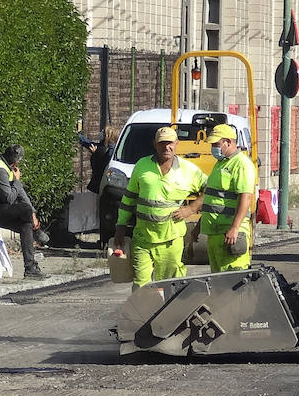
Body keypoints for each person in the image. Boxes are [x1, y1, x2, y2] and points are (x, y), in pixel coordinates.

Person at [111, 126, 207, 287]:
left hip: (170, 240)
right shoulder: (142, 166)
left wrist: (191, 209)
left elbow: (209, 190)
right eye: (162, 143)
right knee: (142, 286)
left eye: (170, 143)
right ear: (154, 144)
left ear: (176, 143)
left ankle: (170, 313)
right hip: (143, 239)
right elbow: (129, 198)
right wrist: (120, 226)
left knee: (169, 285)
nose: (166, 147)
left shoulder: (188, 170)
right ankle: (145, 312)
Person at [0, 144, 48, 279]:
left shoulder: (6, 167)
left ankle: (30, 268)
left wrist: (33, 214)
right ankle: (37, 233)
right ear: (16, 161)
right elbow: (9, 198)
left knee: (25, 224)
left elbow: (20, 193)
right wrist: (17, 181)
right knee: (24, 210)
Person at [199, 123, 258, 273]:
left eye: (216, 144)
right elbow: (212, 199)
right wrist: (200, 225)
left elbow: (245, 197)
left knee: (233, 282)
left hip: (229, 233)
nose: (213, 148)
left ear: (229, 142)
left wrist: (234, 228)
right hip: (216, 233)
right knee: (219, 282)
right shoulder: (221, 164)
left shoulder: (242, 164)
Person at [82, 124, 118, 194]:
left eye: (103, 132)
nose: (101, 133)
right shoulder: (102, 147)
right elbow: (87, 143)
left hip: (102, 184)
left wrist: (96, 154)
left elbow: (104, 165)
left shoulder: (111, 150)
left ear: (107, 136)